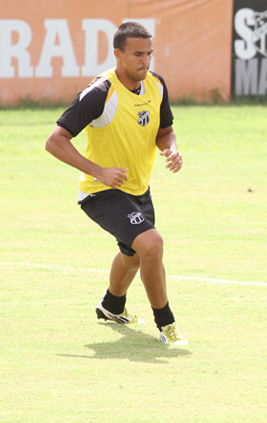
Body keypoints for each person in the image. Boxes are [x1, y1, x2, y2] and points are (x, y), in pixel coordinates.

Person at [45, 22, 188, 345]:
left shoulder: (157, 86)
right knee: (152, 244)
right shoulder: (99, 93)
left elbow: (165, 131)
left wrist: (173, 149)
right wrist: (98, 170)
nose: (146, 61)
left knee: (134, 254)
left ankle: (112, 306)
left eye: (149, 53)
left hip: (138, 188)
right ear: (118, 54)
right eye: (138, 54)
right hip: (101, 192)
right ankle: (167, 325)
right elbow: (55, 141)